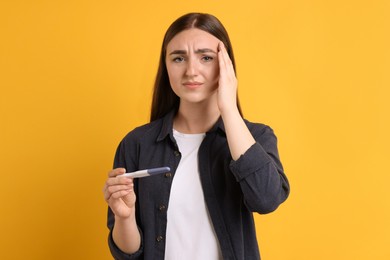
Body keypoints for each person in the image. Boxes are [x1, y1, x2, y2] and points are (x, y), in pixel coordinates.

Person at [103, 12, 290, 260]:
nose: (191, 70)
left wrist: (229, 108)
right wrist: (124, 217)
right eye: (179, 58)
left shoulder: (256, 136)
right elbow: (128, 254)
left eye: (206, 58)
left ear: (226, 65)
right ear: (166, 66)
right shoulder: (137, 144)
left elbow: (266, 200)